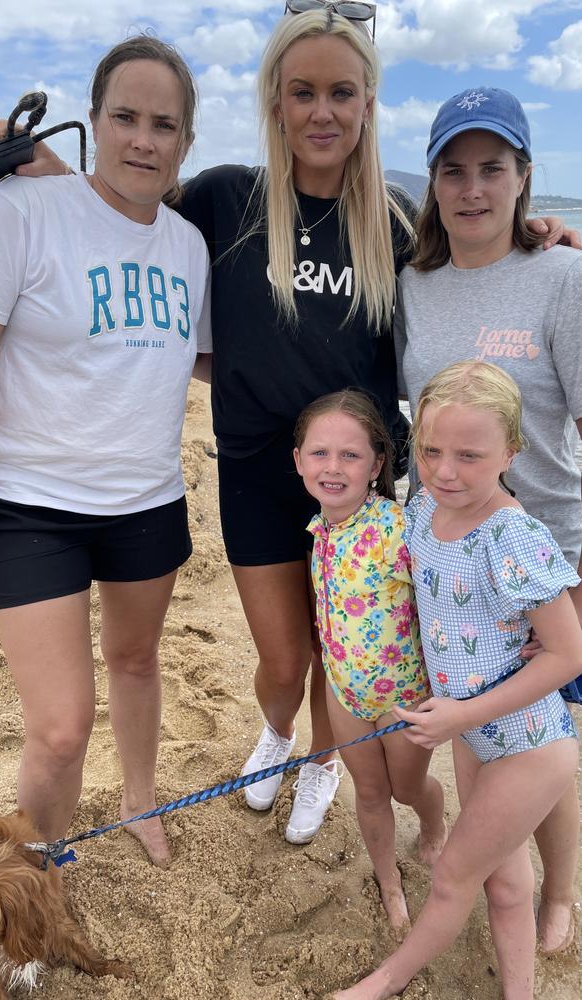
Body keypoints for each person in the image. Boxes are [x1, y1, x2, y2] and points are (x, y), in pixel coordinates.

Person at [0, 3, 577, 846]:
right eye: (303, 92)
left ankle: (321, 762)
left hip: (364, 488)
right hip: (262, 467)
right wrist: (43, 168)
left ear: (368, 105)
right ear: (276, 102)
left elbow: (476, 263)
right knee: (282, 660)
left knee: (344, 655)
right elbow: (125, 206)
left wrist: (544, 236)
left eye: (342, 92)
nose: (323, 111)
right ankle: (277, 733)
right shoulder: (228, 197)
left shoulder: (399, 221)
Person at [0, 35, 212, 869]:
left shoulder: (189, 247)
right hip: (29, 506)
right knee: (58, 729)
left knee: (134, 659)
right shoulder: (17, 211)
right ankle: (39, 870)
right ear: (93, 122)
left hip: (148, 499)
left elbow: (193, 360)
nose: (143, 139)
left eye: (164, 124)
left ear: (186, 143)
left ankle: (138, 799)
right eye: (124, 116)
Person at [394, 85, 582, 954]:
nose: (473, 188)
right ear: (433, 184)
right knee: (477, 725)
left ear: (524, 179)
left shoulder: (563, 275)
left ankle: (559, 892)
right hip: (447, 556)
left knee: (551, 731)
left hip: (549, 547)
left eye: (492, 169)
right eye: (454, 170)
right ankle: (502, 873)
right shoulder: (414, 285)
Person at [333, 361, 582, 1000]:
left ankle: (386, 981)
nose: (445, 471)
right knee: (504, 882)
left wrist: (465, 716)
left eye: (469, 455)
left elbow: (568, 655)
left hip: (527, 743)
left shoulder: (517, 537)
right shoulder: (420, 508)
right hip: (472, 734)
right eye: (431, 449)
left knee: (453, 879)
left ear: (512, 450)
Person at [293, 388, 446, 936]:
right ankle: (388, 880)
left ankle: (433, 821)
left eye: (350, 455)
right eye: (319, 453)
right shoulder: (319, 529)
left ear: (377, 464)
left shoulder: (394, 528)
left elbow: (447, 591)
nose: (333, 468)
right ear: (298, 461)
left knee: (407, 788)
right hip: (344, 692)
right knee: (371, 791)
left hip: (403, 695)